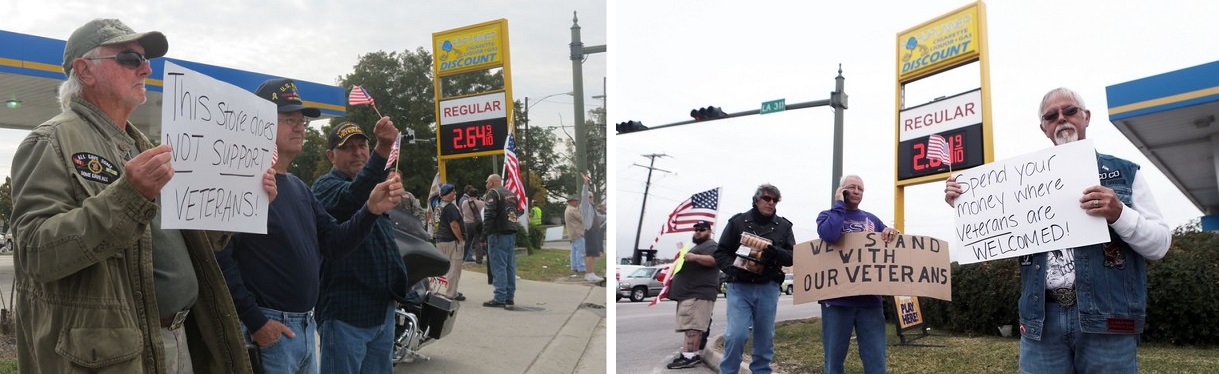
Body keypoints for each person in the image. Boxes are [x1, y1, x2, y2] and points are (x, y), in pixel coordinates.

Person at [9, 19, 265, 373]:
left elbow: (176, 238)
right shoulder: (51, 141)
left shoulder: (142, 146)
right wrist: (128, 196)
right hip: (115, 353)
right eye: (130, 58)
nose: (146, 68)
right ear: (85, 70)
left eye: (146, 60)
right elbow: (34, 252)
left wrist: (242, 198)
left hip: (178, 336)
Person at [944, 87, 1171, 373]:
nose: (1061, 118)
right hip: (1041, 320)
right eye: (1051, 116)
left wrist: (1119, 213)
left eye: (1070, 111)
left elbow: (1160, 245)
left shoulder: (1125, 173)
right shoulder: (1020, 184)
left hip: (1107, 319)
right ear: (1044, 128)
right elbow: (998, 233)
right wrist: (969, 206)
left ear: (1086, 117)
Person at [218, 78, 404, 374]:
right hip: (271, 329)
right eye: (288, 119)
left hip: (305, 326)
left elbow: (334, 243)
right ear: (258, 123)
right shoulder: (241, 184)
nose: (300, 126)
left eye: (301, 120)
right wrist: (256, 322)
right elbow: (220, 258)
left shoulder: (297, 187)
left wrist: (371, 209)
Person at [311, 120, 412, 373]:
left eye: (362, 146)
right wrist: (383, 148)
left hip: (381, 309)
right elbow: (354, 195)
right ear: (330, 155)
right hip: (345, 311)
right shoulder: (325, 187)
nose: (357, 152)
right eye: (347, 148)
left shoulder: (376, 185)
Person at [815, 175, 899, 374]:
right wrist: (838, 205)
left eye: (860, 189)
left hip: (869, 302)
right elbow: (830, 235)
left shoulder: (872, 219)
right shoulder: (826, 216)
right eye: (851, 187)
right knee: (833, 361)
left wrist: (891, 233)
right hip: (836, 302)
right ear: (841, 190)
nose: (856, 191)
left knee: (876, 360)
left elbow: (891, 247)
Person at [713, 184, 794, 374]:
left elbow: (792, 256)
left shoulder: (783, 226)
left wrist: (776, 252)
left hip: (768, 287)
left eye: (775, 200)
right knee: (736, 335)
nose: (771, 202)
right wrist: (734, 268)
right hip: (740, 287)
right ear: (756, 199)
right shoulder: (737, 222)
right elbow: (720, 252)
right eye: (767, 198)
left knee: (765, 339)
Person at [665, 220, 719, 370]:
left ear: (709, 231)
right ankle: (691, 354)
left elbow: (714, 260)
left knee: (692, 326)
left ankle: (689, 357)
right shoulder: (698, 246)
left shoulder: (711, 245)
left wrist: (694, 257)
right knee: (692, 325)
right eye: (696, 229)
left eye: (702, 229)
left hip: (698, 293)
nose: (698, 232)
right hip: (691, 293)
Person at [481, 174, 523, 310]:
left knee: (498, 266)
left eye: (487, 182)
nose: (486, 184)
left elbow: (489, 215)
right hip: (511, 232)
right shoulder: (511, 194)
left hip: (498, 233)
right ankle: (509, 297)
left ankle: (499, 297)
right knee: (509, 266)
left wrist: (483, 234)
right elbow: (518, 212)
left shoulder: (493, 193)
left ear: (492, 182)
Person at [434, 183, 467, 301]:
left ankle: (442, 290)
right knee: (454, 267)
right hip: (451, 241)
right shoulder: (450, 208)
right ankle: (451, 293)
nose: (455, 193)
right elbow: (454, 225)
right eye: (453, 191)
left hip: (440, 239)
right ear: (448, 194)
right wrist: (460, 239)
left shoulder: (438, 206)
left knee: (444, 268)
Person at [462, 185, 487, 264]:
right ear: (477, 195)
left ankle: (463, 257)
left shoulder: (464, 202)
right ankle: (479, 259)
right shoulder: (481, 203)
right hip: (477, 224)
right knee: (478, 242)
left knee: (467, 242)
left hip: (467, 223)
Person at [564, 194, 587, 277]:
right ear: (571, 201)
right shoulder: (573, 210)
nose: (577, 202)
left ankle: (574, 266)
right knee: (580, 251)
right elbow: (582, 219)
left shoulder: (567, 209)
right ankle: (581, 267)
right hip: (578, 232)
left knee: (574, 251)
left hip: (572, 233)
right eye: (575, 200)